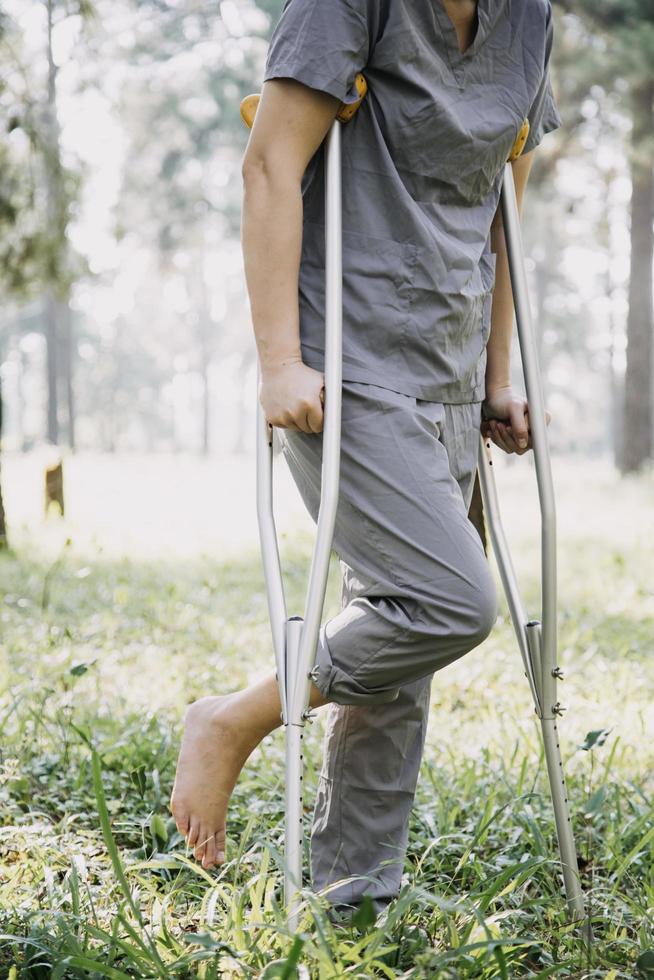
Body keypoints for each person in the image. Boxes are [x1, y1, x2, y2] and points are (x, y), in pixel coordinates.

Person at [169, 0, 561, 915]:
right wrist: (277, 362)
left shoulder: (529, 18)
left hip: (451, 363)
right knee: (444, 601)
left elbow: (505, 209)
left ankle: (352, 899)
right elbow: (270, 162)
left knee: (396, 650)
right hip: (344, 366)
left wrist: (498, 375)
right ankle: (234, 720)